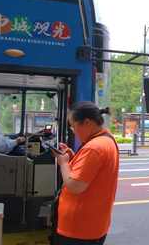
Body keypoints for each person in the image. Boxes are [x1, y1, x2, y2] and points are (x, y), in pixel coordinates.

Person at [52, 102, 118, 245]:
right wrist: (72, 156)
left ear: (87, 122)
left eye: (74, 126)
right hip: (93, 225)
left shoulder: (94, 148)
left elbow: (75, 186)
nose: (73, 131)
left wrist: (63, 163)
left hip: (79, 230)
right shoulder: (106, 140)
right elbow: (89, 172)